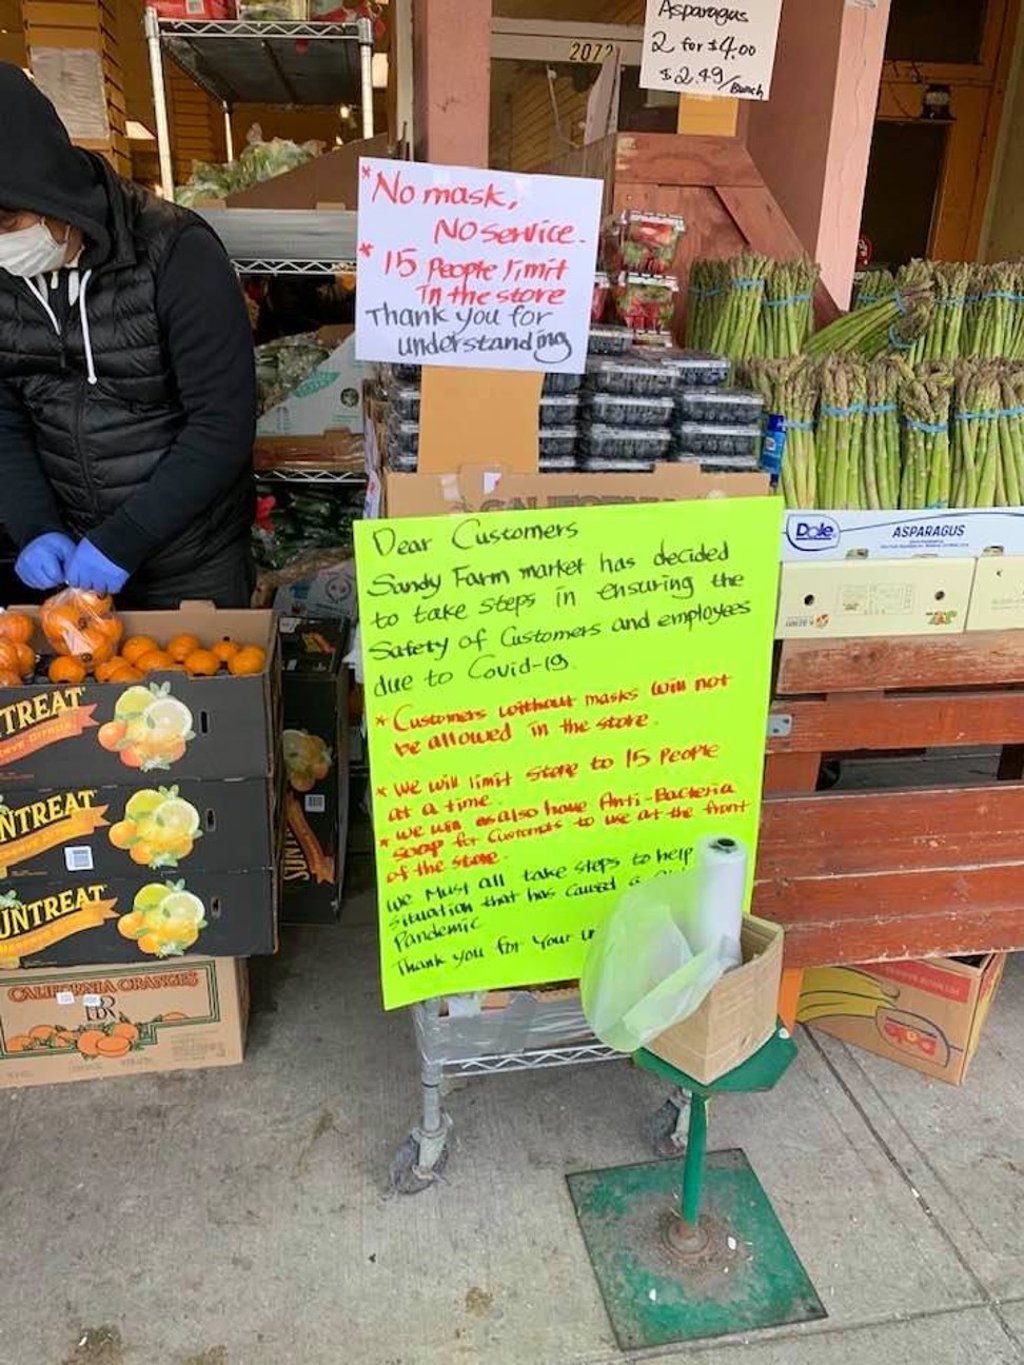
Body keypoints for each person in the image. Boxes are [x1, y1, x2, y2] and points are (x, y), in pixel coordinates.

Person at [0, 63, 257, 608]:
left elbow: (223, 422)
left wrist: (128, 537)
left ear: (50, 189)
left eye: (6, 224)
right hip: (70, 557)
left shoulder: (175, 252)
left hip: (190, 558)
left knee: (201, 687)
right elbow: (3, 417)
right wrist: (33, 525)